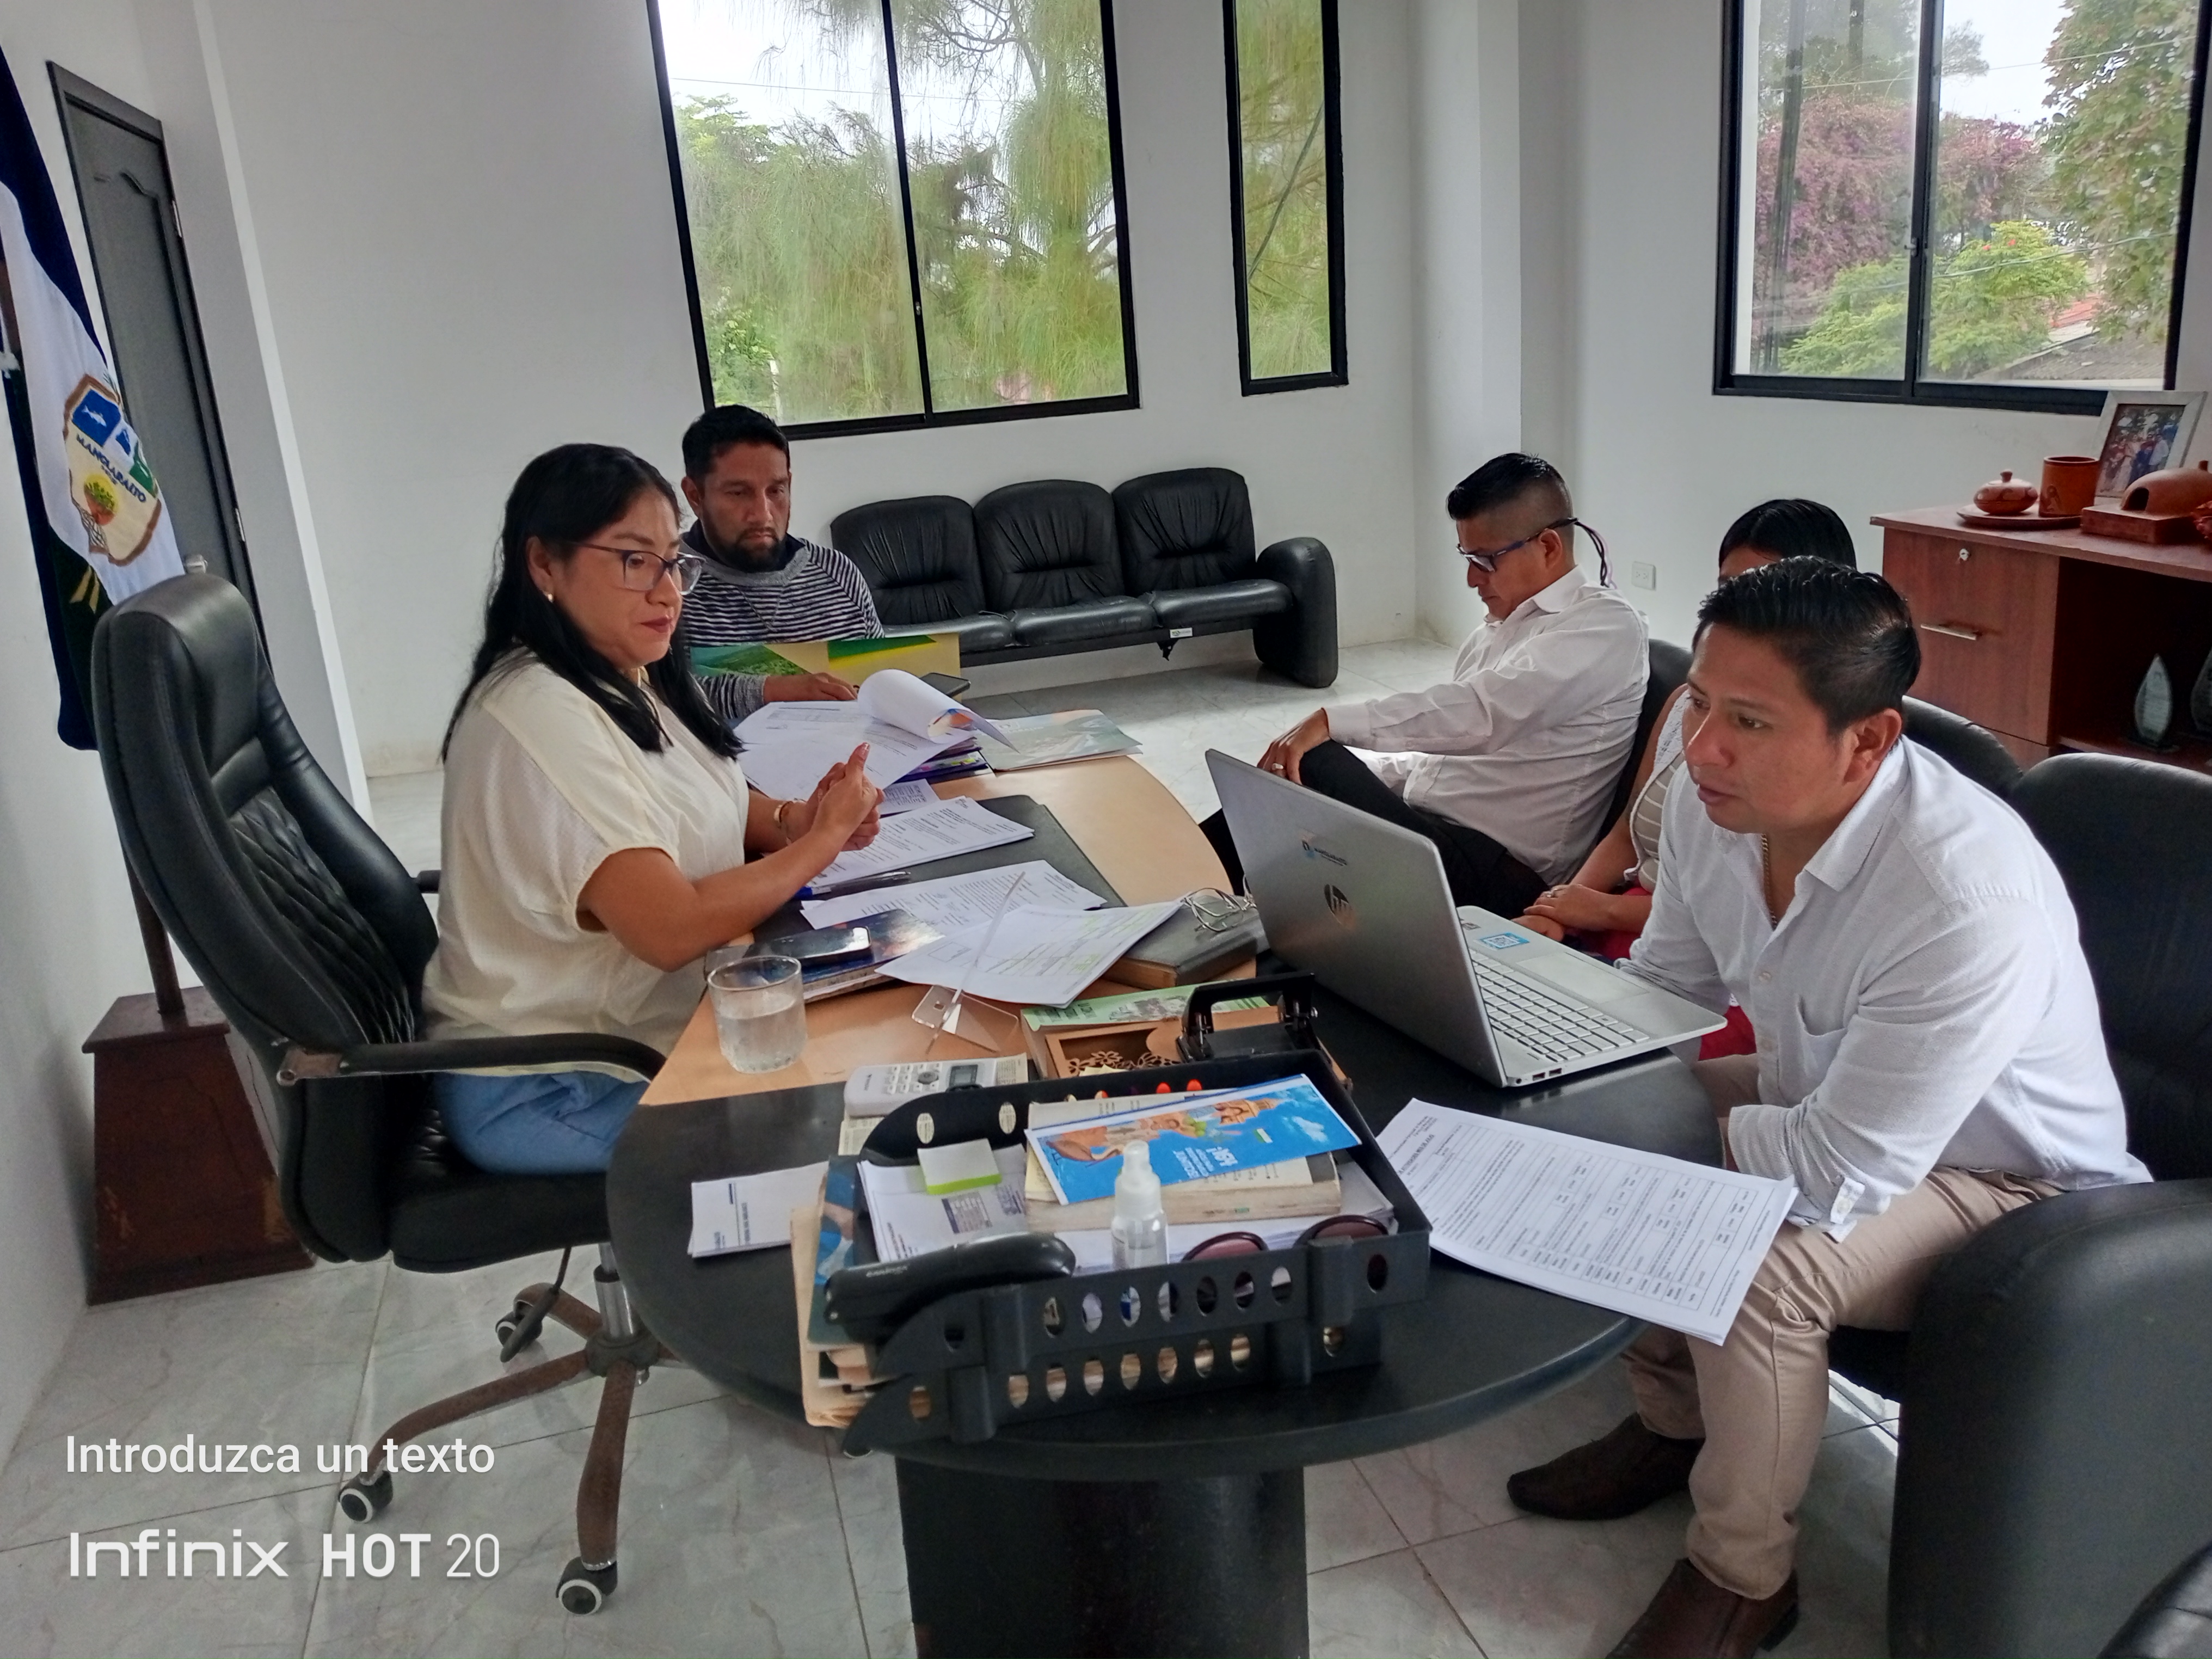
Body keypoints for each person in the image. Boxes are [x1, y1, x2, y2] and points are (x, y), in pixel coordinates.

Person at [1505, 559, 2148, 1659]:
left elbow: (1838, 1172)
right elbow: (1663, 993)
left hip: (2009, 1182)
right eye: (1699, 702)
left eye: (1748, 721)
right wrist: (1547, 1040)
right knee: (1605, 1110)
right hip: (1834, 1099)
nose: (1702, 746)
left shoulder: (1958, 895)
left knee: (1756, 1263)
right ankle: (1672, 1424)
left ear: (1868, 741)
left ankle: (1741, 1577)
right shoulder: (1714, 800)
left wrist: (1675, 1136)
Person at [421, 443, 883, 1175]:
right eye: (634, 561)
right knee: (828, 1139)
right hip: (559, 1080)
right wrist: (817, 845)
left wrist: (794, 820)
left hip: (648, 1032)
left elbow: (703, 798)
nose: (667, 592)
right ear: (544, 564)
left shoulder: (624, 669)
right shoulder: (538, 710)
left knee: (866, 1055)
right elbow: (671, 928)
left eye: (673, 563)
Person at [1202, 452, 1647, 915]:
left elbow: (1483, 714)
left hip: (1502, 874)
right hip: (1437, 836)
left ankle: (1186, 887)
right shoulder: (1496, 632)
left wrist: (1332, 722)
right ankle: (1189, 888)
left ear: (1549, 547)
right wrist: (1361, 769)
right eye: (1467, 558)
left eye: (1485, 560)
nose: (1472, 579)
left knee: (1317, 758)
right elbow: (1438, 758)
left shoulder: (1604, 626)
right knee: (1292, 778)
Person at [1516, 500, 1857, 1059]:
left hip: (1720, 971)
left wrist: (1600, 911)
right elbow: (1626, 834)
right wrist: (1556, 909)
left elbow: (1750, 921)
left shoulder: (1805, 768)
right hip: (1644, 936)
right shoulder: (1682, 706)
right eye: (1729, 589)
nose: (1701, 750)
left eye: (1763, 593)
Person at [678, 403, 885, 724]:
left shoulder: (838, 574)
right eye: (738, 493)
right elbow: (651, 698)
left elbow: (882, 683)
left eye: (776, 490)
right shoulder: (664, 583)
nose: (762, 514)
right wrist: (772, 691)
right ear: (695, 496)